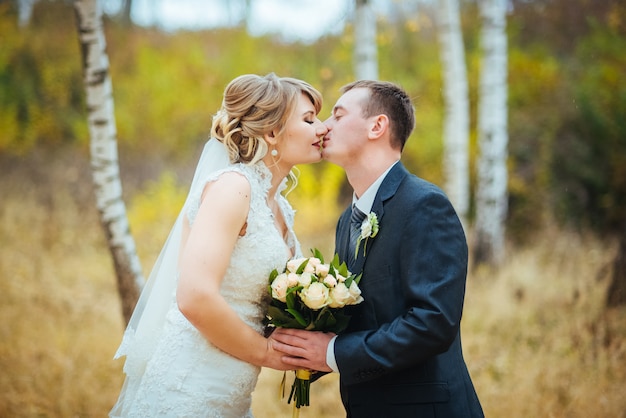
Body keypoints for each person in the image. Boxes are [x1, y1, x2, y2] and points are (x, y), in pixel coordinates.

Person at [110, 73, 328, 418]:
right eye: (310, 119)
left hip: (232, 394)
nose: (323, 128)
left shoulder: (280, 206)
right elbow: (194, 297)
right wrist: (268, 353)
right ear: (272, 132)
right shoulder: (233, 188)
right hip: (190, 387)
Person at [272, 80, 484, 417]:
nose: (324, 126)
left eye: (338, 116)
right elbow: (363, 316)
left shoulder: (424, 205)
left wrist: (334, 352)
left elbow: (432, 323)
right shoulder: (347, 221)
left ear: (377, 126)